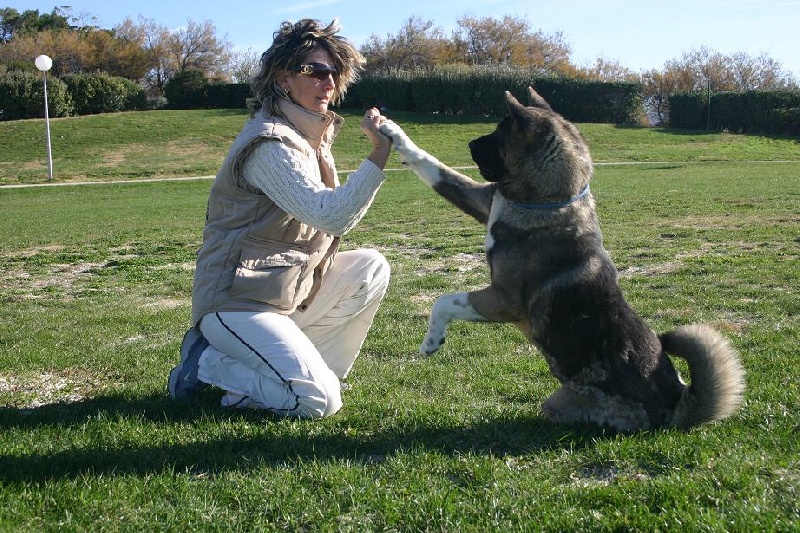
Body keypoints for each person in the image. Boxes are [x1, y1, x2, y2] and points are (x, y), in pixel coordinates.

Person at [167, 18, 393, 419]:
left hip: (284, 293)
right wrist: (378, 153)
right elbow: (332, 215)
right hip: (237, 303)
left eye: (334, 72)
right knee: (318, 402)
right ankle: (207, 365)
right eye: (315, 70)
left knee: (370, 266)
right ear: (283, 79)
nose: (328, 81)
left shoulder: (311, 139)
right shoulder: (270, 142)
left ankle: (300, 376)